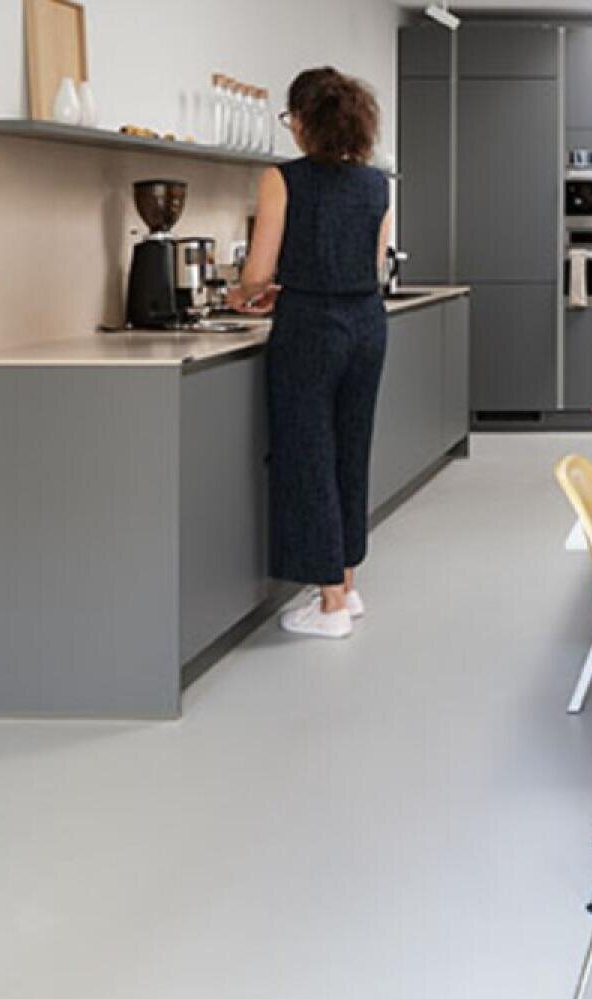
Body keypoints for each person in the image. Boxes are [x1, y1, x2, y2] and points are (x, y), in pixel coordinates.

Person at [229, 67, 391, 640]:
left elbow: (259, 271)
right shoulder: (377, 184)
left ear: (303, 120)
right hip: (366, 323)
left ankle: (328, 607)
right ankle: (345, 583)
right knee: (351, 449)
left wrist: (243, 292)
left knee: (308, 454)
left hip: (310, 328)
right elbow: (371, 263)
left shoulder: (282, 178)